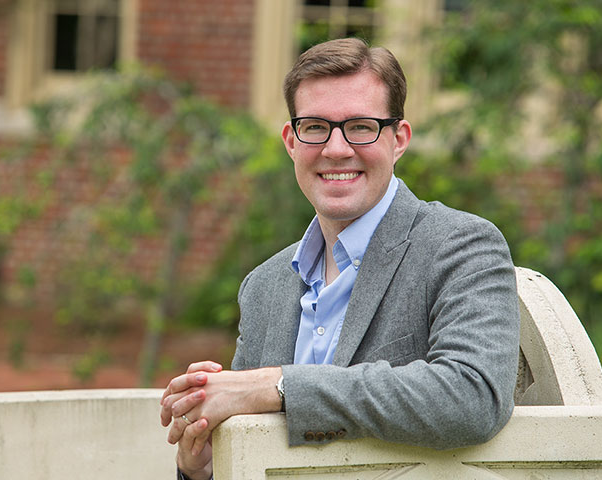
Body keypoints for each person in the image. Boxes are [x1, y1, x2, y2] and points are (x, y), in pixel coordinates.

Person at [160, 37, 520, 480]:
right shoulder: (264, 286)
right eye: (315, 127)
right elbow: (252, 444)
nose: (336, 149)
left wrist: (278, 387)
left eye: (361, 127)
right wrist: (205, 464)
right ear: (292, 141)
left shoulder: (461, 245)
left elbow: (472, 396)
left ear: (398, 139)